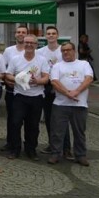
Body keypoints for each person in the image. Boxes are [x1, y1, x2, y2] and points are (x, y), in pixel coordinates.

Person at [4, 34, 50, 161]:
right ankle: (15, 149)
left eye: (32, 43)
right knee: (15, 123)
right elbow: (8, 75)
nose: (29, 45)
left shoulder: (42, 60)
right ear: (23, 44)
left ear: (36, 45)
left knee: (33, 125)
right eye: (27, 42)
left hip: (36, 96)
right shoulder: (15, 59)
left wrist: (37, 81)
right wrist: (19, 79)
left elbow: (46, 77)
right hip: (20, 96)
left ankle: (31, 149)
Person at [48, 42, 94, 166]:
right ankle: (55, 153)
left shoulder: (84, 64)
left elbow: (88, 79)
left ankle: (80, 155)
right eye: (63, 50)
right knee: (57, 131)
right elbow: (54, 82)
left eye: (68, 50)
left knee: (79, 132)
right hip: (60, 104)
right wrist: (67, 93)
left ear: (75, 51)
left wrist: (76, 91)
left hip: (80, 105)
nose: (66, 52)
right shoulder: (57, 66)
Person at [38, 26, 69, 156]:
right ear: (46, 36)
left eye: (53, 33)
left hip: (61, 86)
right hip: (47, 86)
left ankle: (66, 148)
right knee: (49, 117)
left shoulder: (63, 50)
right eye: (49, 34)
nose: (51, 36)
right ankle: (52, 145)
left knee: (62, 118)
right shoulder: (40, 52)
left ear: (57, 35)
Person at [1, 24, 28, 152]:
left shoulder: (33, 51)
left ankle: (28, 145)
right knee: (12, 118)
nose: (21, 34)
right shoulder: (9, 51)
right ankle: (11, 142)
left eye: (23, 32)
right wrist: (7, 80)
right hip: (12, 90)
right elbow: (4, 69)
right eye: (18, 32)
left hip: (29, 91)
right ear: (15, 34)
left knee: (28, 120)